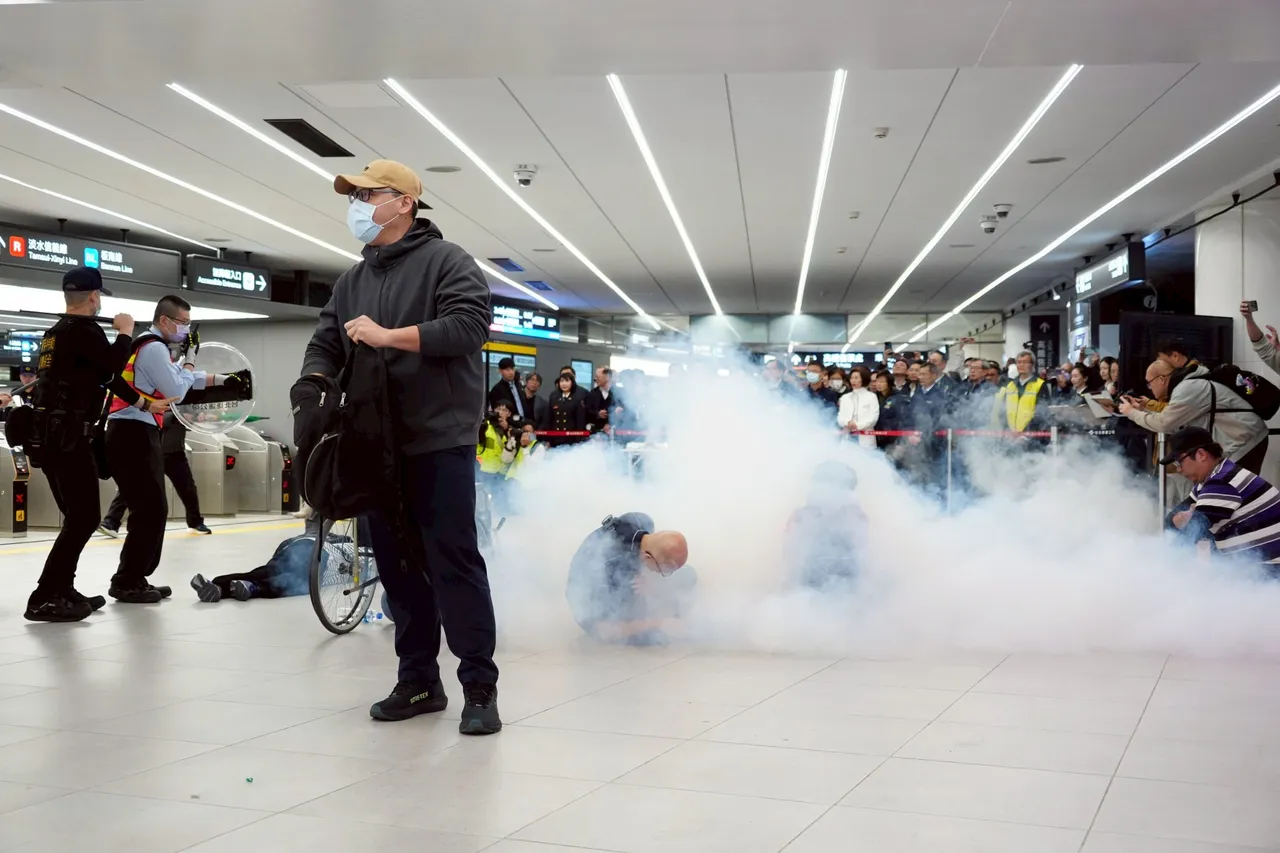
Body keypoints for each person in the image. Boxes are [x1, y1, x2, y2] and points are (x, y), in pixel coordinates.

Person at [302, 158, 501, 735]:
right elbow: (326, 343)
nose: (359, 204)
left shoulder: (447, 261)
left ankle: (479, 686)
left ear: (404, 202)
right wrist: (313, 383)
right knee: (396, 565)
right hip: (373, 443)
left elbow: (469, 327)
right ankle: (417, 680)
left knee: (453, 561)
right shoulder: (352, 279)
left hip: (437, 439)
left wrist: (390, 337)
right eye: (355, 195)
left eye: (370, 194)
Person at [20, 268, 172, 622]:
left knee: (79, 517)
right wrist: (124, 333)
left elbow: (105, 378)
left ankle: (61, 588)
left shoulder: (55, 334)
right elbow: (114, 364)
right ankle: (44, 596)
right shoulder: (85, 331)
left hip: (54, 436)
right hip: (69, 437)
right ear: (93, 297)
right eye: (99, 295)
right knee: (84, 516)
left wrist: (143, 403)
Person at [105, 294, 237, 605]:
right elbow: (178, 389)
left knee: (150, 507)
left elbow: (179, 379)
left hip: (140, 431)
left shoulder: (154, 349)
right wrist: (190, 360)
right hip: (132, 432)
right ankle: (126, 581)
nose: (185, 330)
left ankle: (134, 576)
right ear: (165, 321)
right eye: (183, 324)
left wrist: (219, 379)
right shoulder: (153, 347)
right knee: (150, 508)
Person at [1162, 426, 1280, 573]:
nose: (1179, 469)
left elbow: (1192, 534)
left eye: (1179, 462)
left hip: (1269, 571)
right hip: (1255, 567)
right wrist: (1182, 520)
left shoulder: (1222, 481)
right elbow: (1169, 523)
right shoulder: (1208, 481)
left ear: (1201, 455)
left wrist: (1185, 521)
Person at [1120, 359, 1268, 475]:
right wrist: (1142, 410)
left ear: (1162, 379)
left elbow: (1165, 423)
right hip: (1240, 440)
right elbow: (1175, 424)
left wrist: (1131, 413)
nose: (1149, 388)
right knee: (1228, 494)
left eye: (1149, 383)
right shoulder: (1185, 387)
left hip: (1246, 440)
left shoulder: (1187, 389)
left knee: (1234, 494)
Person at [566, 512, 692, 645]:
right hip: (589, 603)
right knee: (651, 638)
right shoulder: (614, 570)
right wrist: (659, 623)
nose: (663, 575)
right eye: (664, 571)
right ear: (647, 558)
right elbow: (605, 631)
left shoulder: (643, 521)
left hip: (620, 571)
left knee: (689, 576)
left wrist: (651, 585)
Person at [100, 409, 210, 537]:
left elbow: (192, 420)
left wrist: (197, 416)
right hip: (153, 451)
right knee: (133, 484)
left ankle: (195, 522)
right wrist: (177, 415)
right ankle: (111, 522)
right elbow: (157, 418)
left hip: (175, 453)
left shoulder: (182, 404)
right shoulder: (157, 400)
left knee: (187, 488)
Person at [189, 517, 325, 602]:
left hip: (292, 546)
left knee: (266, 572)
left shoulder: (307, 534)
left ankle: (219, 587)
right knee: (297, 581)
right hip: (318, 552)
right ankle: (254, 588)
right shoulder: (337, 540)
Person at [784, 461, 868, 589]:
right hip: (814, 586)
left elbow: (789, 552)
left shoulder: (801, 515)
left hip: (838, 586)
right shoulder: (857, 516)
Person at [993, 351, 1049, 434]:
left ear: (1032, 365)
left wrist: (1025, 433)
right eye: (1019, 362)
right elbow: (1003, 411)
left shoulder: (1040, 385)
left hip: (1031, 437)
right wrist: (1007, 432)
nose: (1021, 365)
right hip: (1010, 437)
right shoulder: (1010, 385)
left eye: (1025, 362)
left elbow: (1041, 413)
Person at [838, 365, 880, 449]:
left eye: (856, 378)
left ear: (863, 379)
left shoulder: (871, 397)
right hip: (848, 438)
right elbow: (840, 417)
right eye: (852, 378)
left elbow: (873, 418)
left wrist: (857, 425)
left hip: (865, 439)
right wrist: (847, 423)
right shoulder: (845, 397)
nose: (853, 380)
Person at [548, 371, 587, 447]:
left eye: (567, 381)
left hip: (571, 439)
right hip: (555, 438)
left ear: (572, 383)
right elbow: (549, 418)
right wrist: (548, 439)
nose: (564, 384)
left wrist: (578, 441)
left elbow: (580, 421)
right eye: (562, 381)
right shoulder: (554, 396)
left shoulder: (577, 398)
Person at [487, 357, 528, 421]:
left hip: (524, 423)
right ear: (500, 371)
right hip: (510, 426)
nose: (511, 372)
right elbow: (498, 413)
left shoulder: (519, 385)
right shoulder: (496, 390)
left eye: (512, 369)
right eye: (507, 370)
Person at [585, 366, 622, 435]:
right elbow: (587, 411)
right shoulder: (592, 393)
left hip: (616, 434)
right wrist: (598, 414)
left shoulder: (620, 392)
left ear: (607, 377)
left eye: (598, 377)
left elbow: (626, 411)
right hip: (597, 434)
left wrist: (618, 412)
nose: (595, 379)